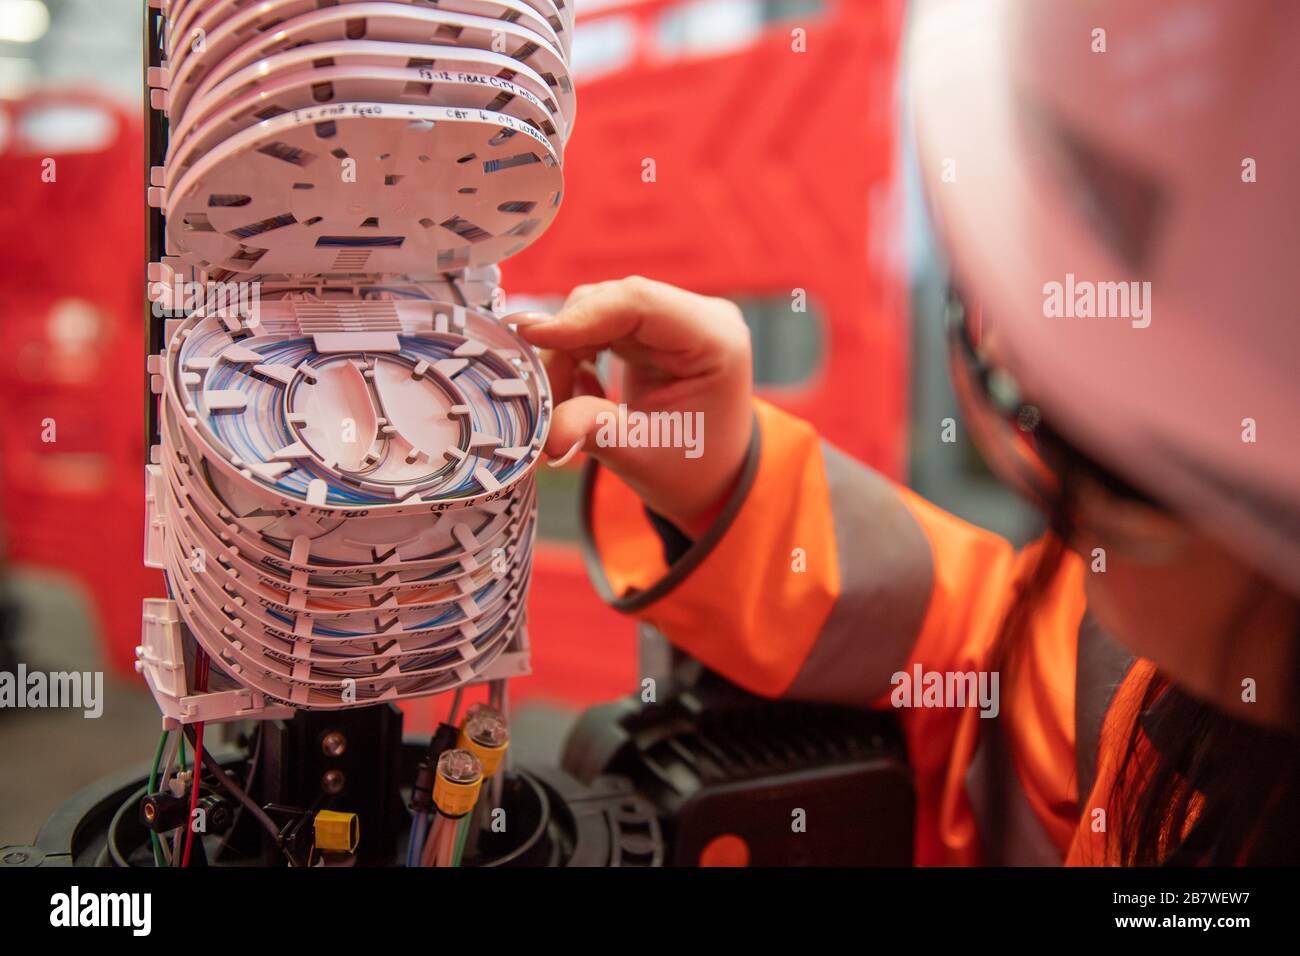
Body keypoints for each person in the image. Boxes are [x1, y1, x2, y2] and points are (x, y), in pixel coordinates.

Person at [509, 0, 1300, 865]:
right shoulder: (1154, 657)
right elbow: (988, 673)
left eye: (1078, 437)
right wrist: (733, 485)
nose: (1013, 346)